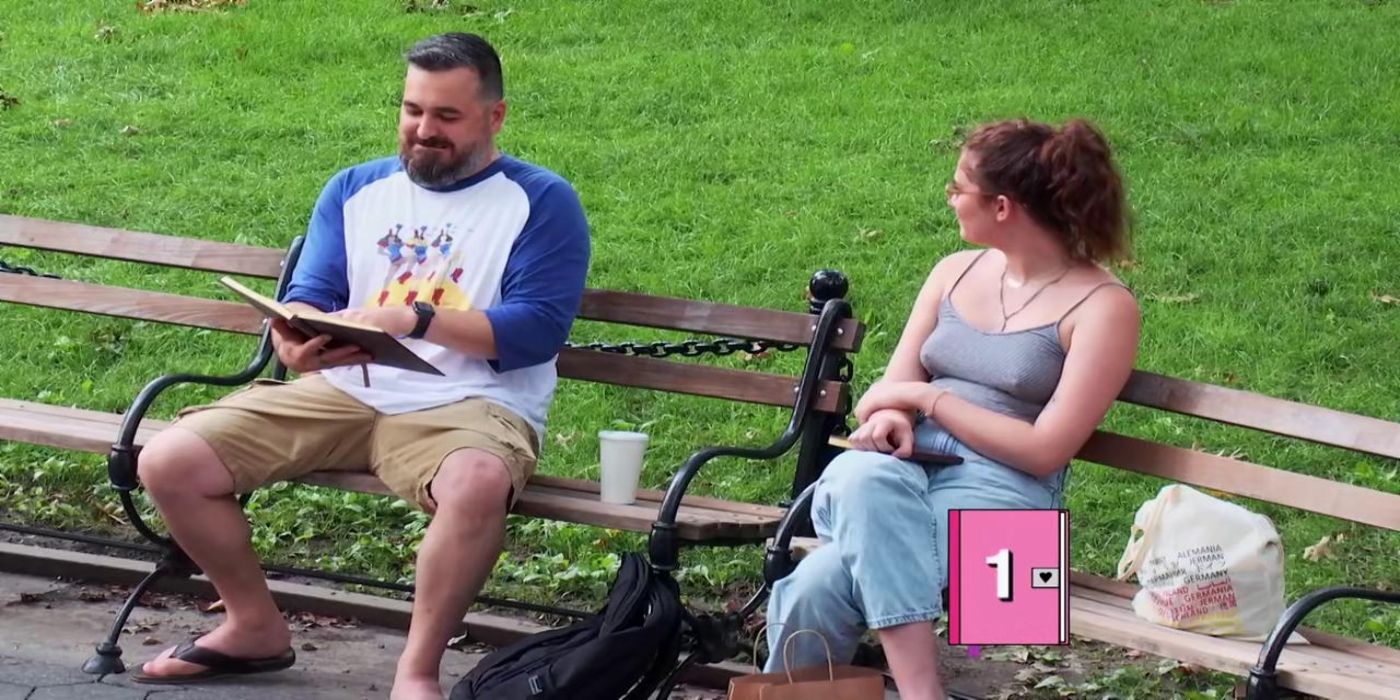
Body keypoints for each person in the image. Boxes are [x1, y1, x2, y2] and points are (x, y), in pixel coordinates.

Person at [129, 32, 591, 700]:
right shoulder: (355, 187)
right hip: (345, 387)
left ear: (495, 117)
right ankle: (252, 626)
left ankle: (416, 672)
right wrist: (294, 344)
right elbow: (310, 295)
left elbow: (538, 329)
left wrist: (416, 319)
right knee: (171, 460)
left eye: (446, 117)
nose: (424, 131)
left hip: (470, 403)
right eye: (412, 111)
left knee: (477, 484)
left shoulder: (542, 202)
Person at [763, 117, 1141, 700]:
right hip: (905, 469)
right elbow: (884, 397)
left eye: (959, 186)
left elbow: (1045, 451)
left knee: (818, 581)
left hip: (1009, 516)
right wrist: (892, 418)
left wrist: (925, 398)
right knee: (866, 479)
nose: (949, 197)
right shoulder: (953, 272)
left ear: (1003, 207)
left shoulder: (1103, 307)